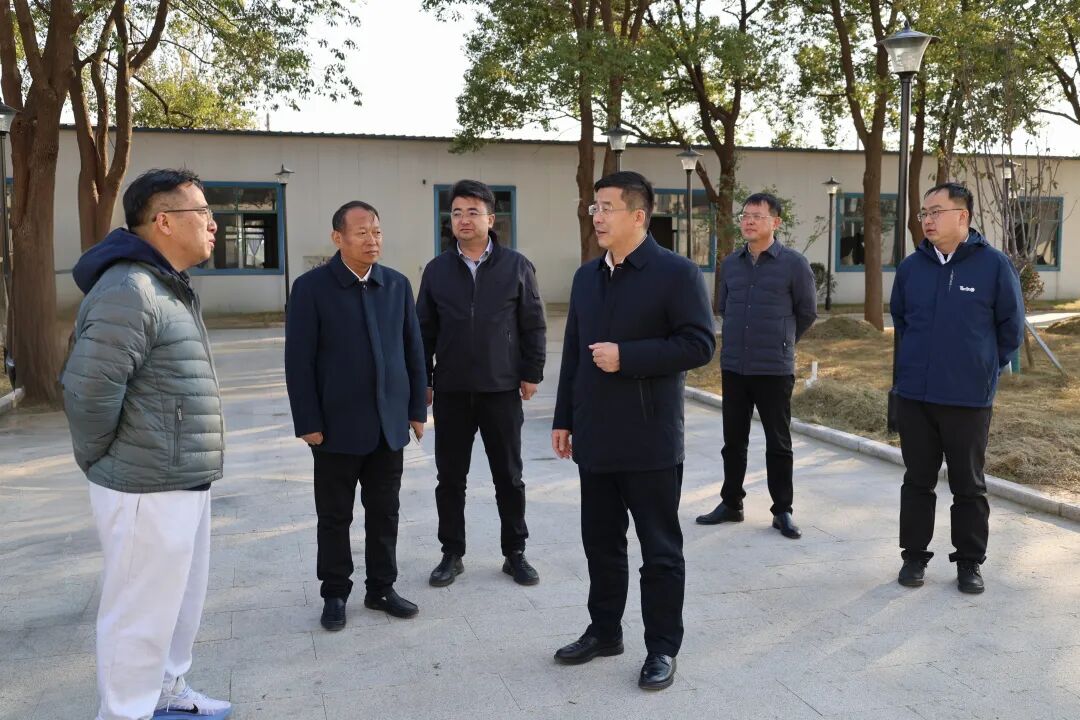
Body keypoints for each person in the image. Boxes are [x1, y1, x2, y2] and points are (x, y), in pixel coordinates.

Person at [61, 168, 231, 720]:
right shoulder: (129, 289)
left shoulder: (165, 285)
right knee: (138, 612)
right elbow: (88, 391)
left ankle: (165, 689)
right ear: (163, 221)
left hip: (180, 475)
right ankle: (124, 711)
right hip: (143, 482)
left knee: (177, 601)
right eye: (202, 212)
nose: (213, 223)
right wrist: (102, 458)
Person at [551, 171, 715, 691]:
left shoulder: (676, 273)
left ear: (638, 216)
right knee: (600, 543)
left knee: (659, 551)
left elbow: (699, 345)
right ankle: (604, 632)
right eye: (594, 207)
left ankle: (662, 647)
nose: (596, 217)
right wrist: (564, 417)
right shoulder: (586, 277)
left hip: (650, 438)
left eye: (607, 207)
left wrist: (628, 356)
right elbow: (574, 352)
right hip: (596, 435)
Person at [284, 200, 427, 630]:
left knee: (385, 513)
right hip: (335, 428)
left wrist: (416, 410)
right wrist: (308, 421)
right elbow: (299, 360)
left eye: (377, 232)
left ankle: (381, 587)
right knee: (335, 517)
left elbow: (414, 351)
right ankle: (335, 592)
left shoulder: (396, 285)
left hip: (388, 426)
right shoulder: (311, 289)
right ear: (338, 238)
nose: (372, 240)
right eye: (362, 232)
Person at [891, 182, 1024, 594]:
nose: (927, 220)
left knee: (968, 484)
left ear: (962, 216)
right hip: (916, 396)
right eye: (924, 213)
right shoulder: (912, 268)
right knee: (917, 480)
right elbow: (902, 321)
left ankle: (969, 562)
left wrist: (981, 369)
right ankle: (914, 557)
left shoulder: (994, 266)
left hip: (967, 398)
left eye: (935, 212)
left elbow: (1011, 328)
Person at [416, 179, 547, 587]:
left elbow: (533, 324)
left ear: (491, 219)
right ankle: (451, 553)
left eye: (473, 212)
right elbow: (423, 331)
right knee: (450, 478)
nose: (464, 220)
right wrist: (424, 380)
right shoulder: (437, 271)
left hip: (501, 388)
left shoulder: (517, 266)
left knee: (508, 476)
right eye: (456, 212)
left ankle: (515, 552)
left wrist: (531, 372)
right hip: (452, 390)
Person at [696, 192, 817, 539]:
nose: (748, 221)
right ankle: (731, 503)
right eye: (745, 216)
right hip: (735, 365)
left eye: (757, 216)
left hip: (774, 368)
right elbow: (724, 307)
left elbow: (807, 312)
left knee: (778, 442)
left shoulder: (794, 264)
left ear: (775, 222)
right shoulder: (731, 264)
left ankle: (782, 511)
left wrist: (783, 341)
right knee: (733, 441)